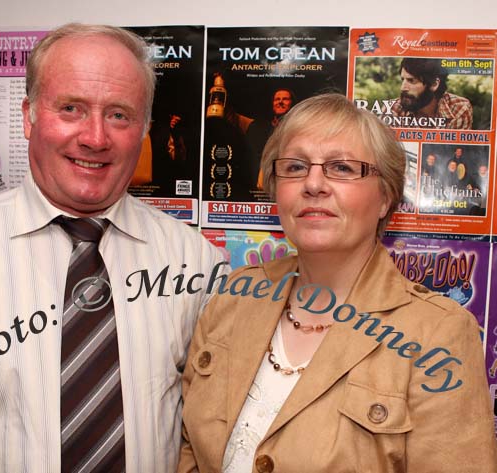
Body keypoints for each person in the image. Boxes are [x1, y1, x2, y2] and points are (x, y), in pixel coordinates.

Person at [0, 24, 225, 472]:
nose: (95, 137)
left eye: (119, 115)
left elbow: (210, 437)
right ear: (29, 116)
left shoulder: (198, 263)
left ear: (144, 128)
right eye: (71, 108)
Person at [178, 94, 497, 472]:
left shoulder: (437, 333)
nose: (313, 184)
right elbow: (190, 452)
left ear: (386, 198)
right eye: (295, 167)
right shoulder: (233, 297)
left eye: (342, 168)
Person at [390, 58, 473, 129]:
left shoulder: (459, 108)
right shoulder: (392, 109)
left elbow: (453, 148)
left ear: (434, 84)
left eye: (411, 81)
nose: (403, 88)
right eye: (403, 80)